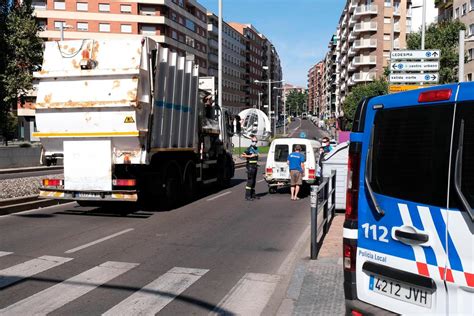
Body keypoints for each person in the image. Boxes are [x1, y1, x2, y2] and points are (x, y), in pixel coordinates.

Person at [241, 136, 259, 201]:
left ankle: (253, 194)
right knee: (250, 181)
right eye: (253, 141)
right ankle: (247, 196)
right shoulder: (249, 148)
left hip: (255, 166)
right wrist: (250, 156)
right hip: (250, 166)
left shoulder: (256, 148)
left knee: (254, 181)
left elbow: (256, 156)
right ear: (251, 141)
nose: (254, 142)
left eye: (256, 141)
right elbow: (242, 155)